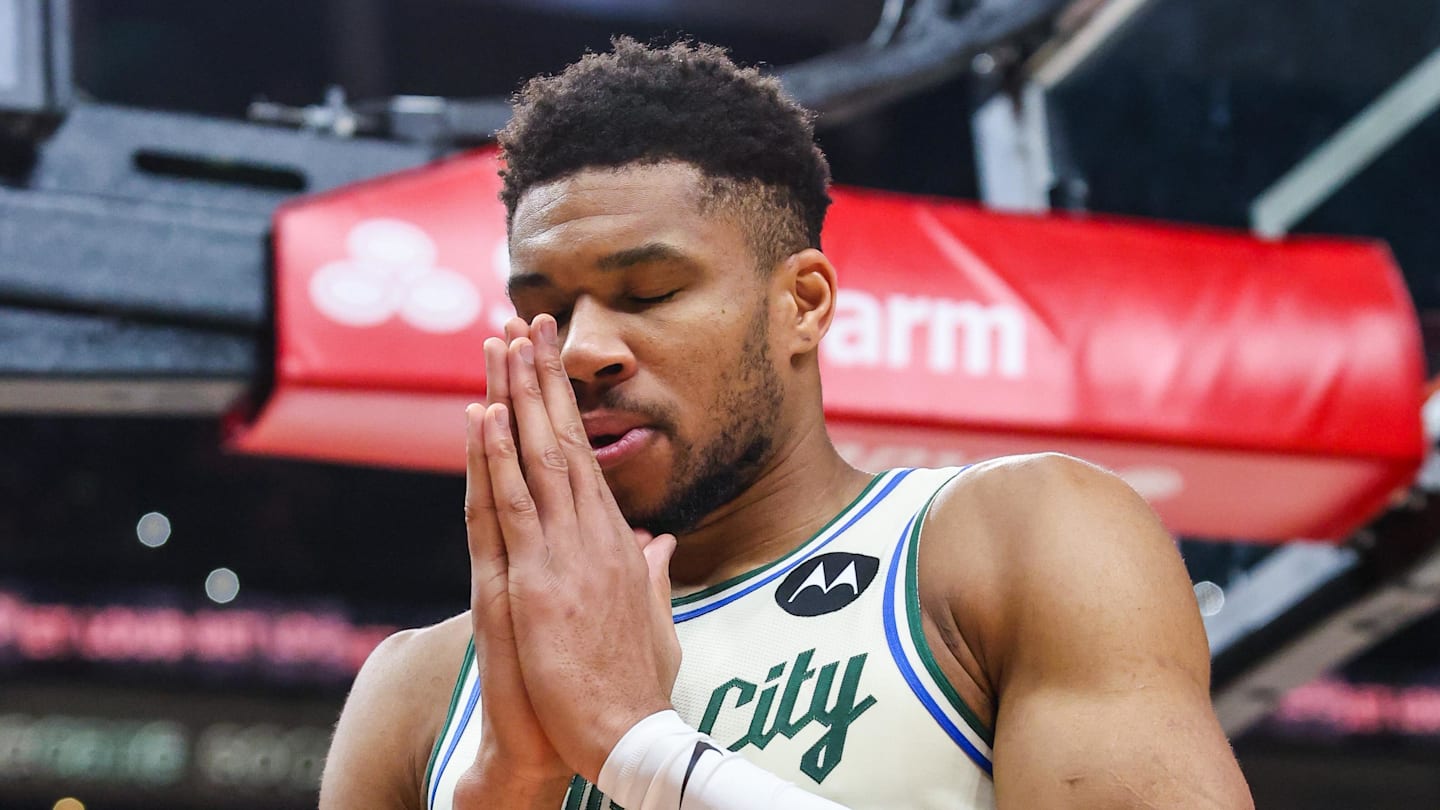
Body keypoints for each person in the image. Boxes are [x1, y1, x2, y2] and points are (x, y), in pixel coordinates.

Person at [319, 38, 1254, 810]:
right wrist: (507, 787)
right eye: (545, 309)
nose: (579, 351)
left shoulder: (1015, 541)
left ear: (801, 303)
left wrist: (640, 750)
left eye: (648, 291)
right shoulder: (418, 693)